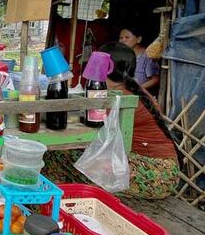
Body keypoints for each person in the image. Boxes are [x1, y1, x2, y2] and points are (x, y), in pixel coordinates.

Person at [42, 42, 179, 200]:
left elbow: (85, 122)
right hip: (156, 167)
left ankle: (52, 198)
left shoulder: (121, 98)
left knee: (61, 154)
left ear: (106, 67)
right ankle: (58, 196)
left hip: (156, 174)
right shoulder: (130, 90)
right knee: (65, 156)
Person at [118, 26, 160, 95]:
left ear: (138, 39)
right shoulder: (123, 55)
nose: (123, 40)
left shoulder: (147, 56)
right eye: (121, 38)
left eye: (127, 37)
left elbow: (155, 79)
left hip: (142, 96)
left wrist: (138, 88)